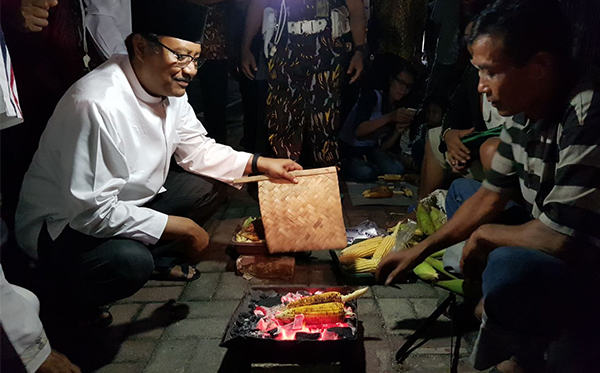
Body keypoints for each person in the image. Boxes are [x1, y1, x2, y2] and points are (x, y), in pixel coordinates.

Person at [15, 0, 302, 325]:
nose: (191, 69)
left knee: (205, 185)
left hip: (121, 202)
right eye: (180, 56)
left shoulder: (167, 87)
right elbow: (89, 212)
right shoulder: (97, 104)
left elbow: (198, 150)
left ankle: (154, 254)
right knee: (129, 262)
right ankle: (65, 302)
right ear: (140, 46)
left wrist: (261, 163)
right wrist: (182, 228)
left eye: (195, 57)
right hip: (61, 227)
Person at [378, 0, 600, 371]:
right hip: (548, 227)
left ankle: (521, 353)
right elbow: (490, 195)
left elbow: (561, 237)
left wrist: (484, 237)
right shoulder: (525, 110)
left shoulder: (586, 110)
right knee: (463, 196)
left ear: (540, 66)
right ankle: (498, 304)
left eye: (489, 72)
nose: (481, 87)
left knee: (505, 261)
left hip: (586, 257)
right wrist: (418, 250)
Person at [242, 0, 366, 168]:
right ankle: (284, 184)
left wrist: (360, 51)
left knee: (325, 126)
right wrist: (246, 47)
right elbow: (258, 5)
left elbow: (356, 11)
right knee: (282, 124)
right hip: (285, 54)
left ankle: (326, 185)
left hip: (327, 56)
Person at [338, 56, 417, 181]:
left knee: (397, 169)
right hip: (350, 149)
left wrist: (397, 131)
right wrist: (390, 117)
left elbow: (383, 148)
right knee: (368, 173)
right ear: (391, 80)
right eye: (401, 83)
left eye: (408, 86)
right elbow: (359, 131)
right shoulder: (372, 96)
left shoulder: (397, 106)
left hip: (370, 150)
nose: (403, 90)